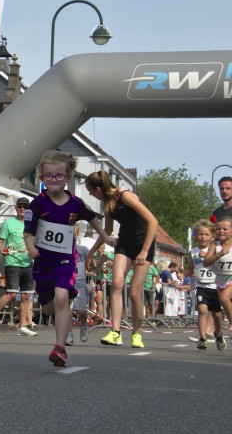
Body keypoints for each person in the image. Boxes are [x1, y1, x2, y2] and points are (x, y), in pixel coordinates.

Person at [26, 151, 115, 367]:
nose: (53, 179)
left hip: (65, 259)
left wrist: (105, 237)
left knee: (62, 297)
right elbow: (28, 233)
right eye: (48, 175)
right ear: (41, 177)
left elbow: (93, 220)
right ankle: (60, 316)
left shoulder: (76, 204)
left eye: (58, 175)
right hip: (43, 261)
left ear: (67, 178)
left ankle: (60, 348)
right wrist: (31, 248)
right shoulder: (37, 204)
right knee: (49, 308)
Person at [86, 169, 158, 349]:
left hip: (143, 244)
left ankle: (137, 333)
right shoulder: (106, 203)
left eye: (90, 191)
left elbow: (153, 221)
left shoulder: (125, 196)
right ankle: (116, 332)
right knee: (117, 283)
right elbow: (108, 231)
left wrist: (144, 251)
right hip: (125, 243)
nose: (90, 195)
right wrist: (91, 252)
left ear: (98, 189)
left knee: (134, 292)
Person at [0, 197, 36, 336]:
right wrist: (2, 251)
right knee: (12, 293)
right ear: (16, 208)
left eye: (25, 206)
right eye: (20, 206)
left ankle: (22, 326)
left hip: (28, 263)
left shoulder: (33, 224)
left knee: (26, 296)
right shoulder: (9, 223)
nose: (22, 209)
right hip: (13, 262)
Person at [189, 219, 224, 350]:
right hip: (201, 286)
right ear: (195, 236)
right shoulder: (193, 252)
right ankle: (202, 338)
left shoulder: (216, 250)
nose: (203, 237)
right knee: (202, 310)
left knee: (216, 314)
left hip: (215, 286)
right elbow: (191, 268)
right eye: (200, 234)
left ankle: (218, 333)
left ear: (212, 236)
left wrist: (209, 257)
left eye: (206, 234)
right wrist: (183, 274)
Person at [202, 215, 232, 349]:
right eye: (219, 229)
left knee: (224, 298)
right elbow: (206, 262)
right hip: (220, 279)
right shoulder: (214, 245)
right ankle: (219, 333)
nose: (221, 231)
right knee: (217, 312)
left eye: (225, 229)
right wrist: (219, 254)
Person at [66, 223, 91, 346]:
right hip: (66, 282)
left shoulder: (83, 250)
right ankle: (69, 334)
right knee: (66, 309)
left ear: (76, 234)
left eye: (73, 234)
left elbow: (91, 265)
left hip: (80, 283)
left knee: (81, 310)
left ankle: (84, 325)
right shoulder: (62, 250)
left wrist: (100, 261)